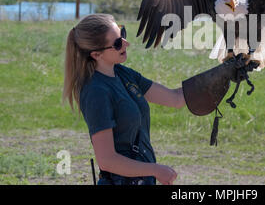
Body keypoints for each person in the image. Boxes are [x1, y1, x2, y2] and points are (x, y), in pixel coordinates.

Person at [62, 13, 182, 185]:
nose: (126, 43)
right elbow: (107, 159)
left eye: (122, 34)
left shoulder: (123, 73)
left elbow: (175, 98)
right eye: (117, 43)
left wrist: (222, 73)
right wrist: (155, 170)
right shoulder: (96, 91)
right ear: (96, 54)